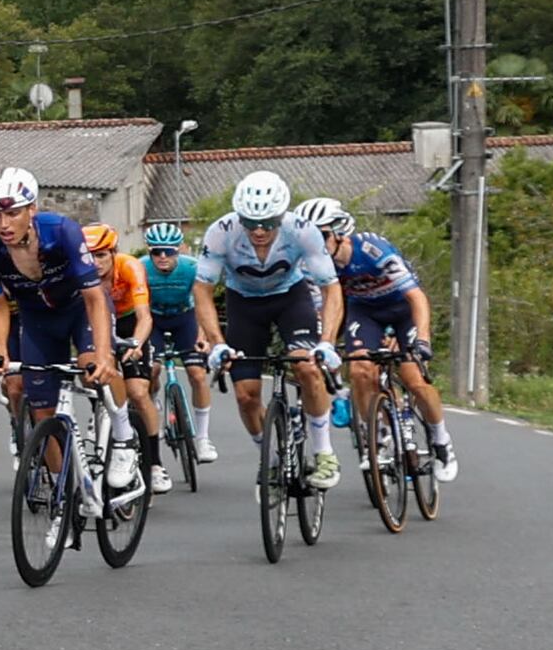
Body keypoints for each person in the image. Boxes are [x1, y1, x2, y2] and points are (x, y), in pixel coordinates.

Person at [0, 167, 143, 499]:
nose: (3, 223)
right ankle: (62, 496)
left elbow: (95, 297)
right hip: (37, 319)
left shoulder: (63, 231)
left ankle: (123, 436)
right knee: (41, 411)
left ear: (31, 208)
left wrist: (105, 354)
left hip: (81, 309)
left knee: (96, 368)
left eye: (12, 212)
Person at [191, 170, 340, 487]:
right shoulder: (221, 231)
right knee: (246, 396)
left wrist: (327, 342)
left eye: (269, 223)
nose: (259, 231)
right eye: (251, 222)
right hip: (243, 303)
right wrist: (217, 343)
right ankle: (269, 459)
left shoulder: (302, 231)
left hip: (290, 298)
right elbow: (202, 290)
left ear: (281, 216)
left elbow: (331, 289)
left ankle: (324, 454)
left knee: (307, 367)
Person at [306, 196, 459, 485]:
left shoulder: (373, 251)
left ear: (339, 232)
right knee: (361, 370)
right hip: (365, 313)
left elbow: (416, 297)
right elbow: (321, 309)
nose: (316, 244)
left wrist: (422, 340)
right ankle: (375, 433)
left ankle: (441, 440)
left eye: (321, 236)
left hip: (402, 311)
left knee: (413, 379)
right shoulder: (316, 266)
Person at [131, 220, 214, 468]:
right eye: (156, 251)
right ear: (149, 251)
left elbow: (202, 305)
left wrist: (203, 335)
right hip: (154, 320)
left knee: (198, 375)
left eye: (169, 251)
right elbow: (139, 308)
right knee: (153, 370)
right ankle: (153, 397)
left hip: (184, 318)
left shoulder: (192, 268)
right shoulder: (142, 268)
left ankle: (202, 438)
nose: (163, 257)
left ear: (180, 250)